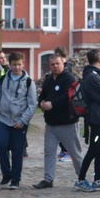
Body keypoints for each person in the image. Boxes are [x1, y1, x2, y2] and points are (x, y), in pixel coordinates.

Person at [0, 52, 37, 189]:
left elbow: (32, 105)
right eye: (14, 64)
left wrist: (23, 121)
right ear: (10, 64)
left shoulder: (28, 82)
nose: (16, 67)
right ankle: (6, 173)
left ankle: (15, 178)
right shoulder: (3, 80)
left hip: (19, 120)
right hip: (2, 118)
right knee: (0, 144)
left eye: (19, 64)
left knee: (17, 150)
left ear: (23, 64)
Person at [33, 54, 84, 189]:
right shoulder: (48, 80)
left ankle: (82, 177)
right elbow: (42, 95)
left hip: (67, 122)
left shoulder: (69, 78)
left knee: (75, 152)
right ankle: (48, 179)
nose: (55, 66)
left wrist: (52, 104)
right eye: (52, 64)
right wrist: (42, 103)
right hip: (51, 123)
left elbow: (68, 96)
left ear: (63, 63)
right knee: (49, 152)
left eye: (57, 64)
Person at [75, 49, 100, 192]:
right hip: (96, 118)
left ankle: (97, 179)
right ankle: (80, 179)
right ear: (99, 58)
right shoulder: (93, 77)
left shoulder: (93, 75)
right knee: (94, 149)